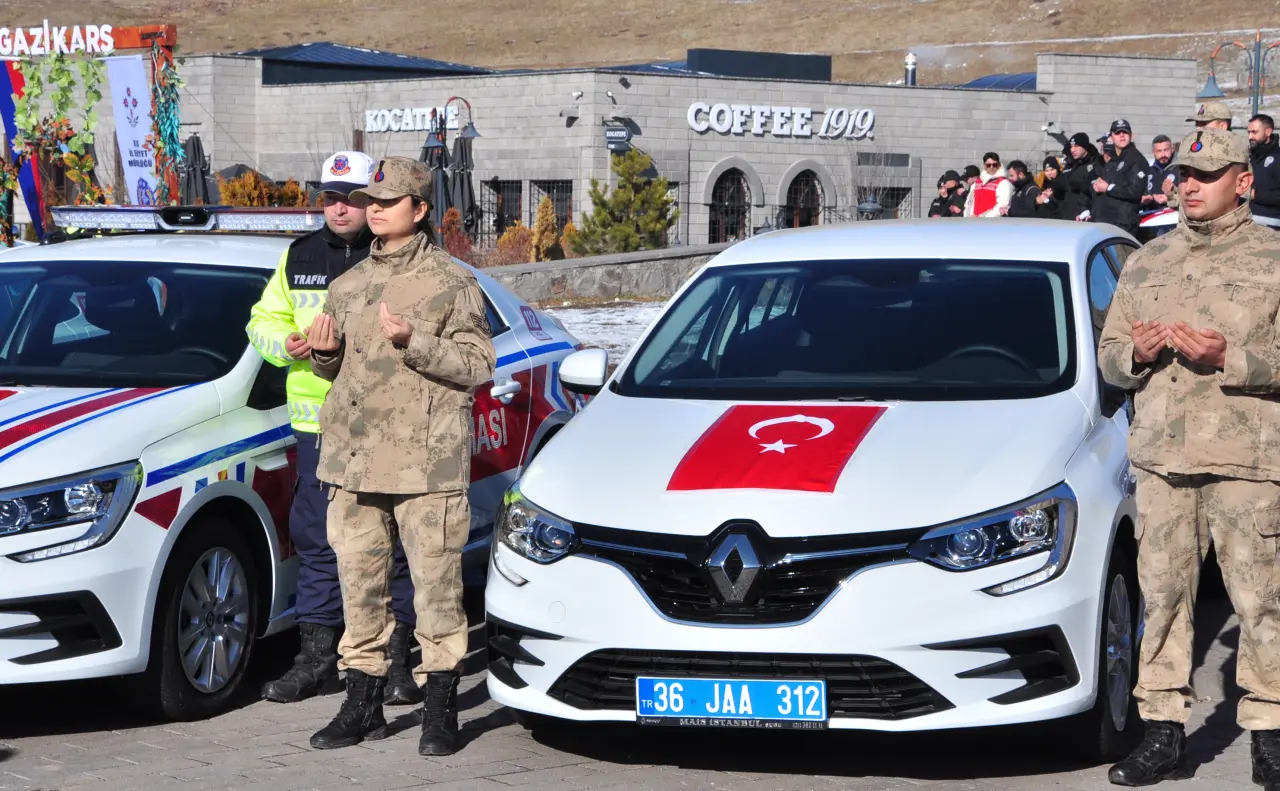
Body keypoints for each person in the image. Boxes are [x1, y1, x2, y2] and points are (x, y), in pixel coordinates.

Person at [1098, 127, 1280, 788]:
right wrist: (1136, 353)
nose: (1190, 186)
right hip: (1163, 459)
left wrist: (1231, 357)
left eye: (1207, 175)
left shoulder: (1273, 259)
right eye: (1184, 175)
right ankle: (1163, 732)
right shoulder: (1149, 260)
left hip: (1246, 461)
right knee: (1165, 596)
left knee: (1260, 601)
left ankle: (1270, 734)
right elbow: (1110, 356)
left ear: (1244, 182)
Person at [305, 157, 497, 757]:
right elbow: (340, 373)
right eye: (372, 201)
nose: (376, 210)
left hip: (425, 463)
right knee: (359, 587)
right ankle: (362, 705)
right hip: (354, 462)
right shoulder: (348, 285)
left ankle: (440, 708)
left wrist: (417, 341)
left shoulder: (451, 281)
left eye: (389, 201)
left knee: (436, 590)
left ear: (420, 209)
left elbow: (479, 364)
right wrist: (322, 354)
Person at [247, 151, 424, 708]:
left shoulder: (401, 255)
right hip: (317, 426)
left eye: (352, 198)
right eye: (329, 198)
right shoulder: (298, 256)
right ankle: (318, 658)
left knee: (393, 543)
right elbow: (262, 320)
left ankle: (396, 661)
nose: (340, 208)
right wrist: (285, 345)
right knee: (319, 541)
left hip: (387, 422)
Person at [1092, 119, 1149, 233]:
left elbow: (1135, 191)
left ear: (1131, 135)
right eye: (1118, 133)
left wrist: (1108, 188)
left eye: (1125, 132)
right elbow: (1104, 183)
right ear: (1111, 137)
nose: (1122, 135)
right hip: (1105, 221)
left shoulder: (1137, 159)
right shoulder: (1113, 160)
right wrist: (1096, 186)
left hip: (1123, 223)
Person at [1064, 132, 1105, 221]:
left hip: (1084, 215)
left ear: (1084, 147)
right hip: (1068, 215)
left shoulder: (1095, 163)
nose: (1073, 150)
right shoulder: (1071, 164)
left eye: (1076, 146)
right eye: (1071, 146)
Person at [1249, 114, 1280, 223]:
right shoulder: (1250, 156)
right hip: (1246, 220)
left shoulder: (1278, 157)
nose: (1250, 137)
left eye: (1254, 132)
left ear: (1268, 132)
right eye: (1249, 132)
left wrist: (1255, 195)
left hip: (1271, 222)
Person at [964, 152, 1012, 217]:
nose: (991, 167)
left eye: (994, 165)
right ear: (984, 165)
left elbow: (1002, 206)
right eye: (988, 165)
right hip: (974, 221)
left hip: (991, 221)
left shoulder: (1003, 183)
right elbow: (969, 203)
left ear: (998, 165)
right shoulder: (977, 182)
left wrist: (983, 218)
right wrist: (967, 217)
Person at [1143, 135, 1178, 211]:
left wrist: (1169, 199)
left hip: (1175, 216)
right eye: (1159, 151)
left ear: (1172, 149)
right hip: (1153, 216)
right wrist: (1146, 200)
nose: (1163, 155)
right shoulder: (1148, 172)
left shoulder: (1182, 170)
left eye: (1166, 150)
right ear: (1153, 153)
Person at [1036, 155, 1068, 220]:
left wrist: (1049, 199)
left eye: (1052, 169)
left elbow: (1064, 204)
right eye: (1046, 171)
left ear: (1057, 169)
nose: (1049, 173)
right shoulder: (1043, 182)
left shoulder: (1064, 181)